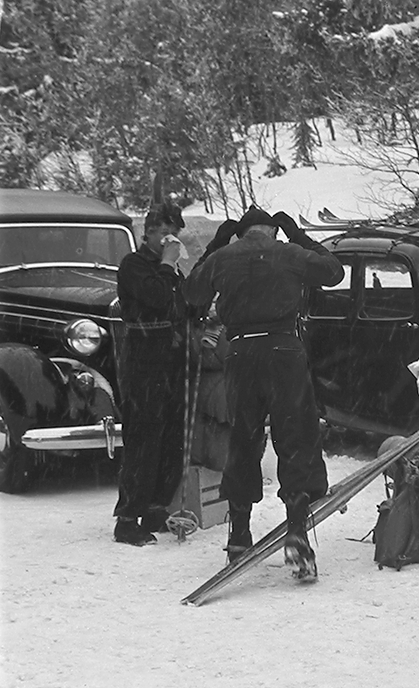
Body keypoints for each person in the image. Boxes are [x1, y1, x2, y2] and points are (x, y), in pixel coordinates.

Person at [182, 207, 344, 578]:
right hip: (285, 352)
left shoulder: (225, 256)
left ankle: (239, 535)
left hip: (240, 354)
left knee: (243, 438)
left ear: (241, 234)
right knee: (296, 436)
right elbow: (333, 271)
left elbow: (192, 293)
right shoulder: (289, 252)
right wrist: (298, 234)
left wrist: (216, 245)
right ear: (273, 231)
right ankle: (298, 531)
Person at [112, 202, 189, 546]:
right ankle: (128, 517)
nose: (170, 240)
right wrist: (169, 264)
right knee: (143, 436)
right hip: (143, 359)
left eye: (174, 233)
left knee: (171, 435)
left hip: (171, 360)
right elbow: (157, 297)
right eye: (163, 233)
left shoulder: (169, 269)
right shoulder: (135, 265)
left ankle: (156, 507)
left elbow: (185, 303)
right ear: (149, 233)